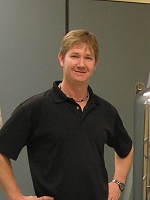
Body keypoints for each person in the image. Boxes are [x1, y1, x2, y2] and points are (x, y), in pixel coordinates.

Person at [0, 29, 133, 200]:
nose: (81, 64)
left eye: (88, 58)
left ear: (95, 64)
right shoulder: (35, 108)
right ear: (62, 59)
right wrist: (17, 197)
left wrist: (118, 182)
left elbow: (126, 149)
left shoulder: (106, 111)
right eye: (75, 56)